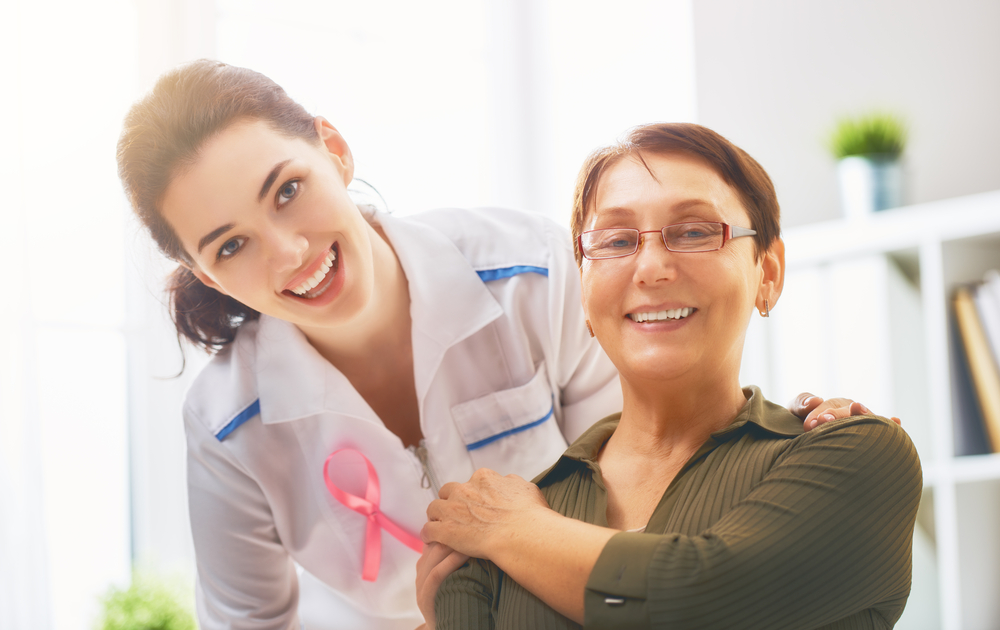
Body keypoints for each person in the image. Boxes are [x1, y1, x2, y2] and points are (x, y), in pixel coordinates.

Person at [117, 61, 880, 630]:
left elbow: (663, 477)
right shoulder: (227, 424)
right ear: (203, 272)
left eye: (288, 190)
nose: (288, 253)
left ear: (334, 150)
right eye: (230, 246)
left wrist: (784, 439)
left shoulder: (534, 274)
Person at [424, 123, 922, 629]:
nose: (651, 268)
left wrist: (516, 531)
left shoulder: (859, 456)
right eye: (616, 241)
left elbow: (698, 602)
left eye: (694, 232)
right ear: (584, 293)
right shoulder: (492, 532)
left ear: (768, 272)